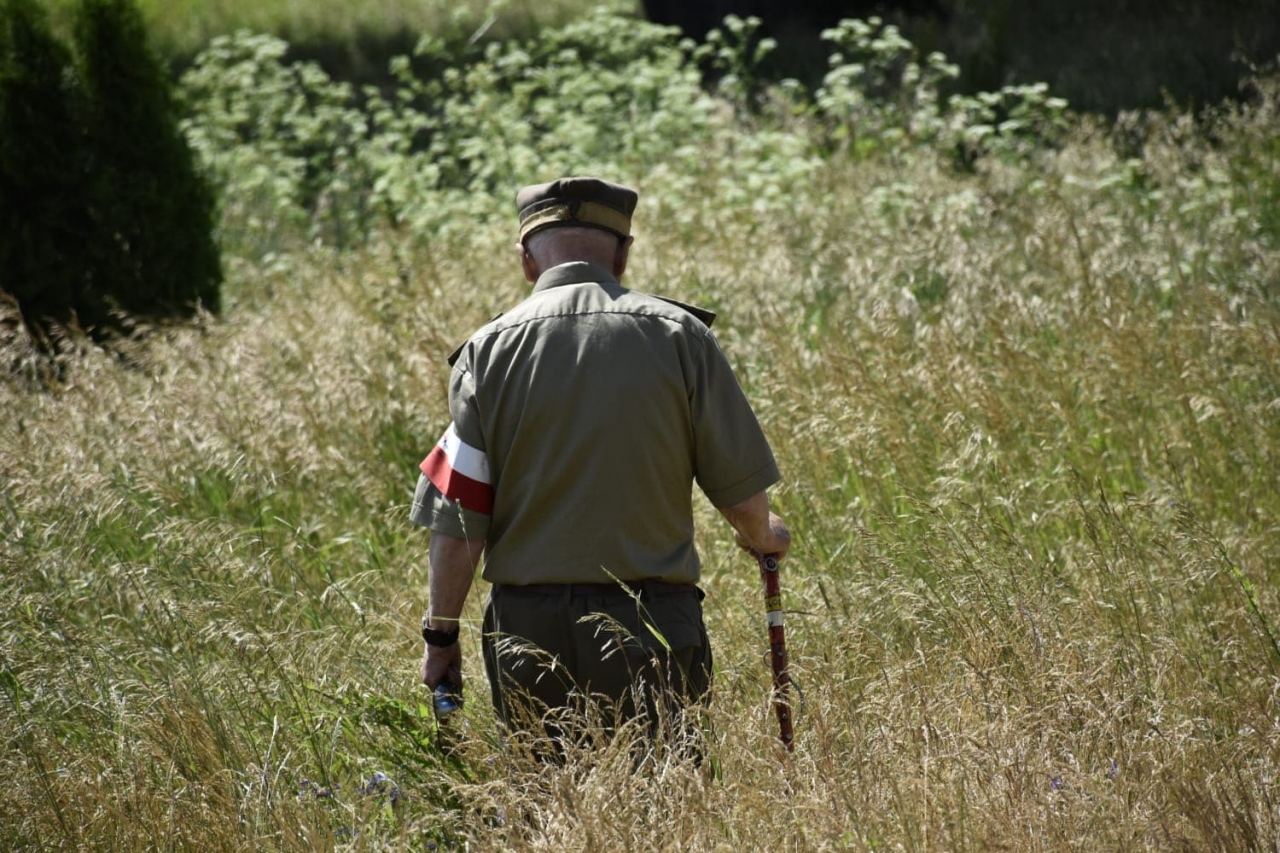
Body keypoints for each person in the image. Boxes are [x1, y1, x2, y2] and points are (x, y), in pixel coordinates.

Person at [411, 176, 790, 753]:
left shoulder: (485, 352)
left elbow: (460, 520)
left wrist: (441, 636)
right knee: (664, 797)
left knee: (546, 800)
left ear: (526, 259)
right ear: (623, 253)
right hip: (652, 625)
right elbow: (742, 500)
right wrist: (765, 536)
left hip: (525, 634)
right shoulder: (680, 337)